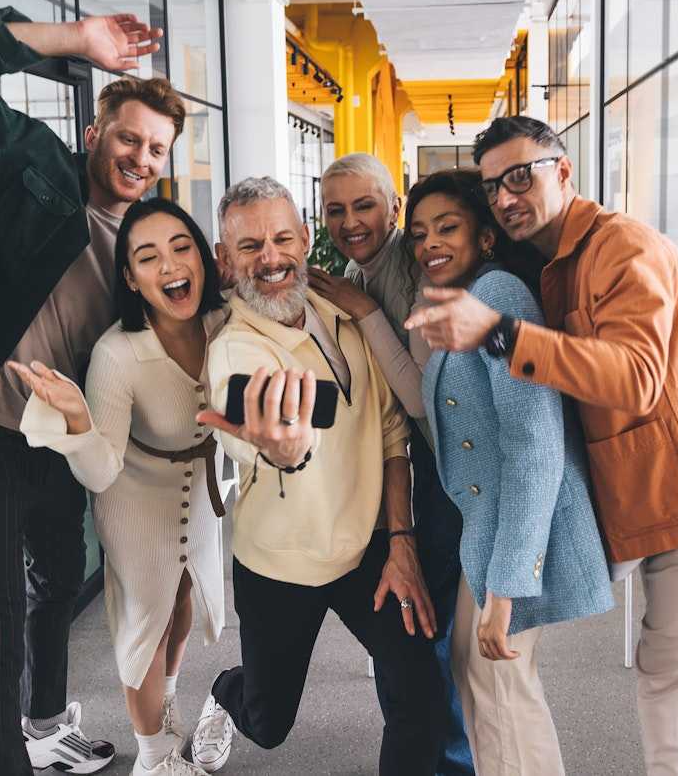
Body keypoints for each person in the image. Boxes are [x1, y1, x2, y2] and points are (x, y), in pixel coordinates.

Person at [407, 116, 678, 776]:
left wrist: (500, 334)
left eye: (521, 176)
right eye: (494, 187)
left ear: (565, 170)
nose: (507, 196)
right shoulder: (556, 266)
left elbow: (636, 377)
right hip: (664, 513)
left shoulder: (622, 248)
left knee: (676, 696)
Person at [0, 6, 175, 775]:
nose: (140, 156)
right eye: (128, 137)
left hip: (58, 445)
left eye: (156, 148)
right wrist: (74, 39)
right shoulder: (18, 157)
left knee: (57, 582)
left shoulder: (146, 247)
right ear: (95, 134)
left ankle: (47, 721)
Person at [191, 177, 447, 774]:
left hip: (368, 551)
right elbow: (257, 431)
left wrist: (402, 543)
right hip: (282, 564)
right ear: (225, 262)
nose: (271, 258)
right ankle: (228, 690)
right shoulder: (234, 350)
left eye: (282, 238)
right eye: (250, 247)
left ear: (306, 239)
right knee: (270, 724)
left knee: (420, 699)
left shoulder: (345, 312)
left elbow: (390, 434)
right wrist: (285, 450)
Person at [8, 199, 230, 776]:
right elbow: (100, 471)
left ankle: (168, 706)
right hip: (132, 495)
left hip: (200, 488)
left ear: (203, 257)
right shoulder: (117, 352)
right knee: (145, 625)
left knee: (184, 600)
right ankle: (153, 756)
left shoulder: (223, 323)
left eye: (181, 247)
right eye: (147, 257)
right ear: (130, 278)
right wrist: (78, 419)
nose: (169, 265)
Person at [405, 170, 613, 775]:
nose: (430, 243)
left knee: (504, 694)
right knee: (485, 686)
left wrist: (507, 589)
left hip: (511, 545)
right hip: (489, 537)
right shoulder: (466, 300)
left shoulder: (499, 297)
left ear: (486, 236)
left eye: (447, 227)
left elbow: (535, 447)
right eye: (418, 234)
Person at [307, 152, 474, 776]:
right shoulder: (359, 266)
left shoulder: (415, 272)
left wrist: (364, 310)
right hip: (410, 468)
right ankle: (427, 746)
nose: (350, 220)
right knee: (414, 624)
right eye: (336, 209)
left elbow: (418, 398)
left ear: (393, 207)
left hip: (447, 473)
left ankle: (449, 759)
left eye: (364, 205)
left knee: (434, 632)